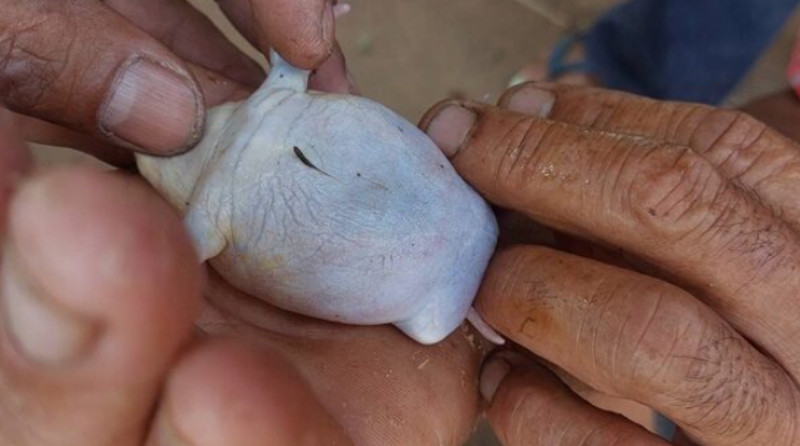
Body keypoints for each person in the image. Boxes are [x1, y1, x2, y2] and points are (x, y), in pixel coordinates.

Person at [1, 2, 799, 446]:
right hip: (421, 271)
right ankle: (616, 72)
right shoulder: (217, 195)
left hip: (423, 270)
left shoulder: (216, 197)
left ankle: (611, 80)